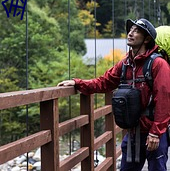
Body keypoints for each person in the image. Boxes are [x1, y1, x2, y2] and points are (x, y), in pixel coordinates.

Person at [57, 18, 170, 171]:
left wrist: (156, 133)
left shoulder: (158, 64)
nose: (130, 33)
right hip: (133, 132)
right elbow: (104, 82)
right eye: (130, 30)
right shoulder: (125, 64)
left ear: (147, 39)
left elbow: (164, 99)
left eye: (136, 31)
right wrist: (77, 83)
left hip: (153, 132)